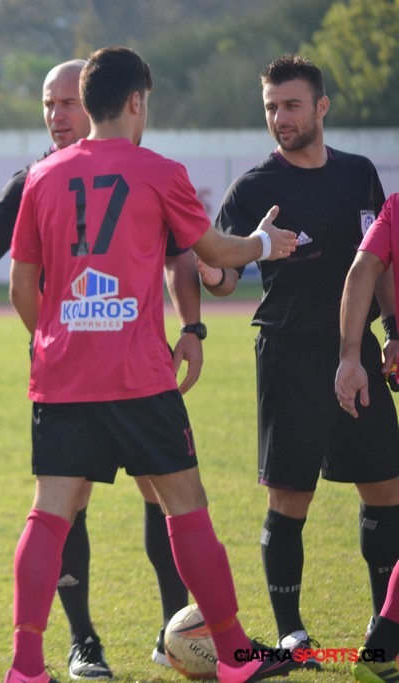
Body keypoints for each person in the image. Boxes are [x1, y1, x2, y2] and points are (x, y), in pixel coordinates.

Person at [6, 46, 299, 683]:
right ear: (137, 100)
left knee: (49, 514)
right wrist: (263, 244)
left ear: (89, 102)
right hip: (139, 375)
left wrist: (57, 339)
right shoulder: (160, 171)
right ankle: (234, 656)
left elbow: (21, 288)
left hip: (63, 377)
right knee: (185, 505)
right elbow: (211, 250)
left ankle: (26, 666)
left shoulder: (42, 176)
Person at [0, 59, 197, 678]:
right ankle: (83, 641)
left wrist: (191, 326)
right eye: (47, 104)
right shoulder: (34, 180)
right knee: (70, 500)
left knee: (159, 488)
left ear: (95, 101)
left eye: (67, 102)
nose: (56, 115)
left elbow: (182, 258)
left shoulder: (144, 172)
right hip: (69, 377)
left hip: (138, 369)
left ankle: (176, 631)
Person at [201, 54, 399, 664]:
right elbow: (221, 275)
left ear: (322, 107)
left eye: (291, 105)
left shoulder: (360, 174)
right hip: (288, 356)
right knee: (290, 498)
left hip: (359, 354)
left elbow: (380, 264)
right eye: (270, 108)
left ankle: (384, 627)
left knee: (385, 487)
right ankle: (292, 634)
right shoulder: (253, 188)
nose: (280, 118)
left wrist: (394, 331)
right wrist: (219, 261)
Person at [336, 192, 399, 683]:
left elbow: (361, 272)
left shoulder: (395, 206)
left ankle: (383, 646)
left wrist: (351, 356)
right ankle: (382, 647)